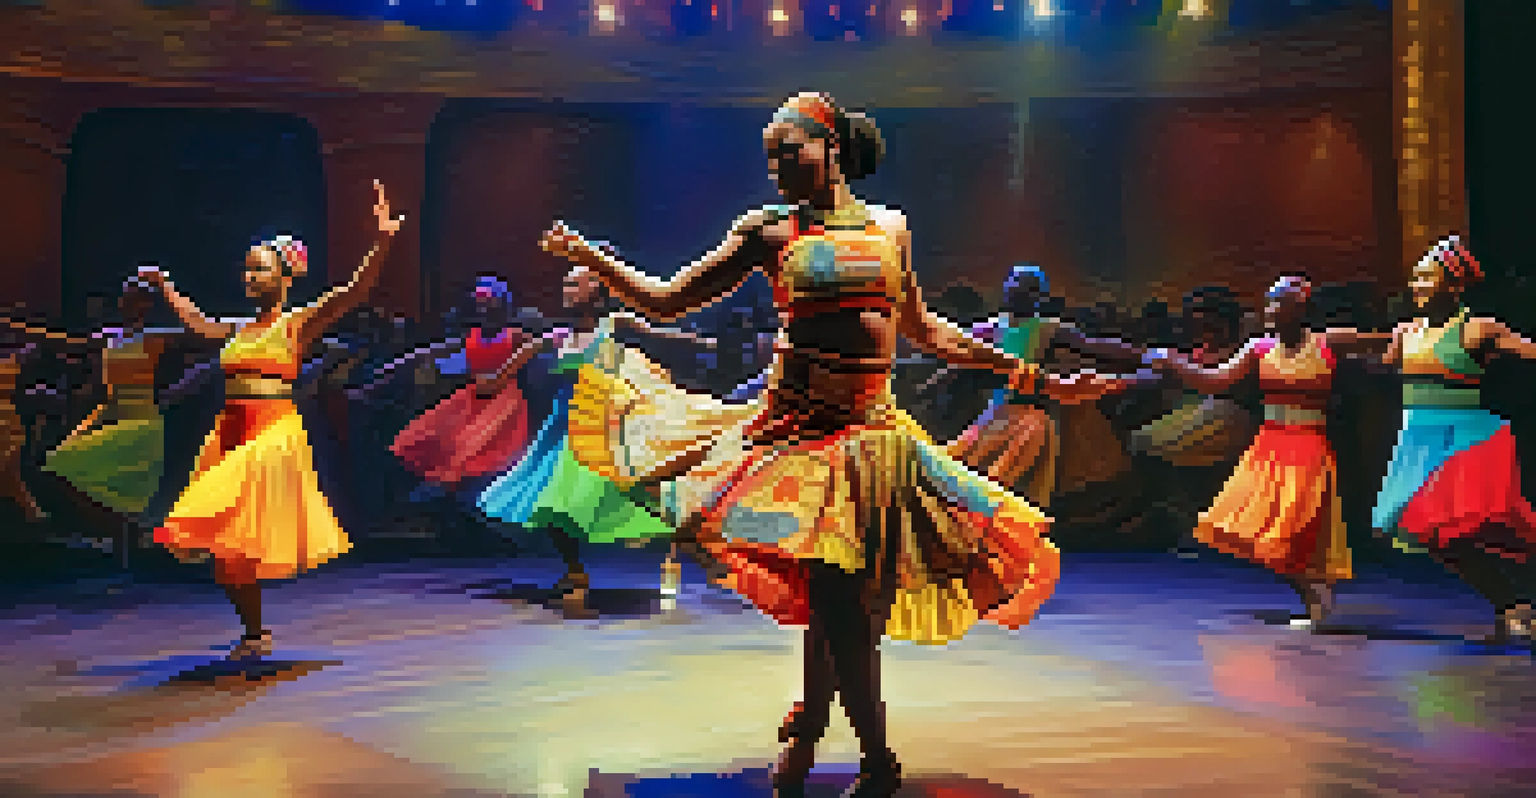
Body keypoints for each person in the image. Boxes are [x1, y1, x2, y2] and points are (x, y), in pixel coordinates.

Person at [539, 91, 1123, 798]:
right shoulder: (767, 230)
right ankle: (872, 758)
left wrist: (1030, 374)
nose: (780, 166)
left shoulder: (889, 228)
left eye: (793, 150)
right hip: (795, 435)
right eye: (770, 157)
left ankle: (817, 729)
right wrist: (590, 260)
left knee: (842, 596)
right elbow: (668, 301)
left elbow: (927, 330)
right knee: (840, 598)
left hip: (873, 437)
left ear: (833, 149)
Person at [142, 180, 401, 660]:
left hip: (274, 430)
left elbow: (355, 291)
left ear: (284, 277)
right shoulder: (239, 329)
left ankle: (255, 630)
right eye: (245, 270)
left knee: (212, 509)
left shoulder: (298, 322)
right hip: (230, 432)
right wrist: (165, 288)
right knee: (227, 550)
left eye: (258, 269)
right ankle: (255, 633)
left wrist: (382, 240)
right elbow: (198, 324)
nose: (248, 277)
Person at [476, 249, 713, 601]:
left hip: (607, 427)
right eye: (566, 284)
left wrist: (702, 341)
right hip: (563, 431)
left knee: (638, 493)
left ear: (596, 290)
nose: (567, 289)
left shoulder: (612, 323)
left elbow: (660, 334)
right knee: (551, 502)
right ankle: (575, 571)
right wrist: (489, 382)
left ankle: (686, 547)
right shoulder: (556, 338)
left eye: (575, 283)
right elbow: (505, 371)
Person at [1154, 275, 1386, 628]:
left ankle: (1317, 594)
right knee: (1259, 531)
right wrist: (1175, 363)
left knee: (1295, 526)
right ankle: (1313, 596)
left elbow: (1388, 341)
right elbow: (1216, 379)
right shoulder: (1259, 348)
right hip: (1269, 445)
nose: (1270, 309)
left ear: (1301, 308)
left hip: (1308, 444)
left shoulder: (1329, 342)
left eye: (1279, 302)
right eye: (1269, 302)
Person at [1373, 235, 1536, 642]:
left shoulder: (1478, 329)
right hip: (1416, 440)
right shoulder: (1405, 332)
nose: (1417, 285)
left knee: (1474, 528)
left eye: (1427, 277)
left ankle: (1515, 606)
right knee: (1432, 536)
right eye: (1415, 278)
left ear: (1454, 284)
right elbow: (1380, 368)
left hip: (1464, 440)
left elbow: (1528, 351)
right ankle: (1511, 604)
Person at [942, 263, 1149, 508]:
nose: (1019, 290)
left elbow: (1095, 345)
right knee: (964, 470)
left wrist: (1149, 356)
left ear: (1039, 296)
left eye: (1029, 288)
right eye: (1016, 283)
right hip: (996, 414)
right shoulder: (990, 327)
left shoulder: (1047, 327)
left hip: (1029, 418)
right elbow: (956, 353)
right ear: (1007, 288)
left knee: (1008, 482)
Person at [1130, 286, 1257, 556]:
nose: (1196, 326)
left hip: (1232, 417)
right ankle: (1184, 520)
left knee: (1146, 443)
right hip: (1205, 413)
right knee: (1149, 443)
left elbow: (1212, 378)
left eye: (1203, 320)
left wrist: (1175, 364)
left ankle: (1189, 523)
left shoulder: (1243, 349)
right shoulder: (1201, 348)